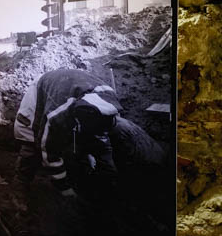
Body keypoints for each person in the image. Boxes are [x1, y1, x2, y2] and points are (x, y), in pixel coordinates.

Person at [14, 68, 166, 200]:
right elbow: (48, 149)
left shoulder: (109, 102)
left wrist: (109, 178)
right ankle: (20, 184)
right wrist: (64, 188)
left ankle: (82, 171)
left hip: (74, 87)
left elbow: (103, 145)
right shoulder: (57, 114)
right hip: (43, 90)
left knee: (87, 141)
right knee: (31, 143)